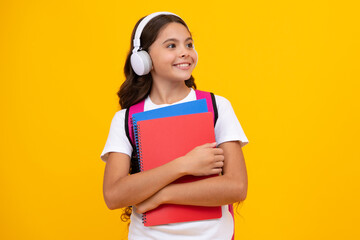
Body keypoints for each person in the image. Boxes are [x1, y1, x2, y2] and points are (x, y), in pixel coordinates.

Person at [101, 12, 249, 240]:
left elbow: (236, 187)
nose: (185, 52)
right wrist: (183, 165)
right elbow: (114, 195)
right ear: (143, 59)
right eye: (171, 45)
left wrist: (162, 195)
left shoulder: (216, 106)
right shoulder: (125, 119)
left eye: (189, 44)